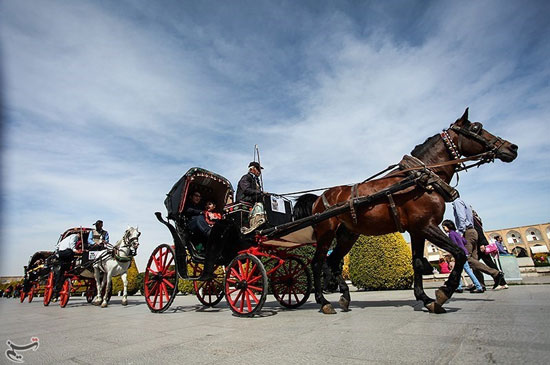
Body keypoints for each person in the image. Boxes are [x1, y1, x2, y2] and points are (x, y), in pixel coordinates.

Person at [452, 196, 507, 290]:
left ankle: (498, 277)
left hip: (476, 239)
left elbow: (478, 229)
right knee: (475, 260)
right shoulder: (471, 213)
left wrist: (483, 243)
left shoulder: (464, 210)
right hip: (476, 238)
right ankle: (480, 284)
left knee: (467, 258)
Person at [441, 220, 484, 293]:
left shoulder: (451, 234)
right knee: (460, 270)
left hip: (459, 254)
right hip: (464, 252)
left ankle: (477, 286)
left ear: (448, 226)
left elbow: (454, 245)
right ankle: (460, 286)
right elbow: (465, 241)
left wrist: (452, 254)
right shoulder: (457, 233)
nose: (444, 229)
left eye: (444, 227)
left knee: (462, 271)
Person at [53, 233, 81, 298]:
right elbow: (72, 244)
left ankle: (57, 286)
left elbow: (57, 246)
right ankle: (70, 270)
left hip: (60, 253)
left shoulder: (64, 240)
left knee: (61, 270)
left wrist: (57, 253)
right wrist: (75, 250)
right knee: (72, 256)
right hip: (67, 252)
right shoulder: (75, 236)